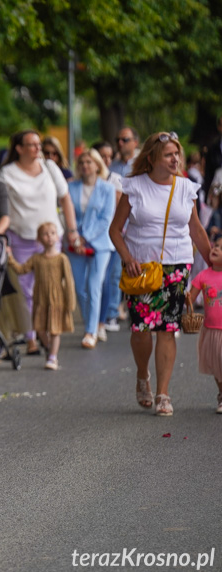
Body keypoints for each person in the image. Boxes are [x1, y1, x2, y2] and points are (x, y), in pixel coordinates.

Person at [109, 132, 211, 416]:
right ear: (152, 158)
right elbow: (115, 230)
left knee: (168, 330)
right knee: (141, 330)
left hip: (177, 267)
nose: (175, 159)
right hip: (141, 268)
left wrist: (213, 260)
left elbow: (196, 229)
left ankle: (163, 394)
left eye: (177, 153)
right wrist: (127, 258)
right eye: (168, 154)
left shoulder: (186, 188)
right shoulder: (135, 187)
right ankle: (143, 375)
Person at [0, 130, 79, 355]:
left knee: (49, 288)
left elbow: (65, 199)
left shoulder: (50, 168)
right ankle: (33, 335)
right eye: (31, 145)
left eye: (38, 144)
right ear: (19, 148)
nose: (37, 149)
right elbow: (0, 205)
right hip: (21, 238)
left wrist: (72, 230)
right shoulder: (6, 174)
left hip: (50, 240)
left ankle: (47, 330)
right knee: (27, 291)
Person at [65, 149, 117, 348]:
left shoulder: (107, 188)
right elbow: (66, 213)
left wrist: (85, 237)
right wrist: (74, 236)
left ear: (97, 165)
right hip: (74, 242)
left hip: (100, 243)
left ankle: (91, 331)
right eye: (82, 162)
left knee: (95, 285)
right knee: (80, 287)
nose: (85, 166)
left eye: (89, 162)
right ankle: (91, 321)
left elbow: (106, 219)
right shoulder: (71, 187)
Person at [8, 223, 77, 370]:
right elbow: (22, 270)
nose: (49, 237)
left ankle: (53, 357)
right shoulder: (36, 259)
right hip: (41, 299)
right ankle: (49, 348)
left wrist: (70, 301)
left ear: (57, 237)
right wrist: (10, 258)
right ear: (39, 239)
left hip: (57, 300)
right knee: (39, 328)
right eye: (45, 234)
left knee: (54, 329)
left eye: (52, 233)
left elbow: (69, 281)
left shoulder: (62, 259)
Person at [92, 141, 127, 332]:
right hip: (91, 236)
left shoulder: (114, 179)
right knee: (95, 280)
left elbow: (117, 205)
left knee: (112, 276)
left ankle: (110, 313)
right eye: (101, 155)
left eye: (108, 156)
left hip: (111, 234)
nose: (105, 160)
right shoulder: (85, 180)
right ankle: (96, 316)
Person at [187, 237, 222, 413]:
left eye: (221, 248)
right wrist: (187, 300)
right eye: (216, 245)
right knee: (217, 366)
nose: (216, 249)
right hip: (211, 329)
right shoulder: (204, 275)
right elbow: (191, 299)